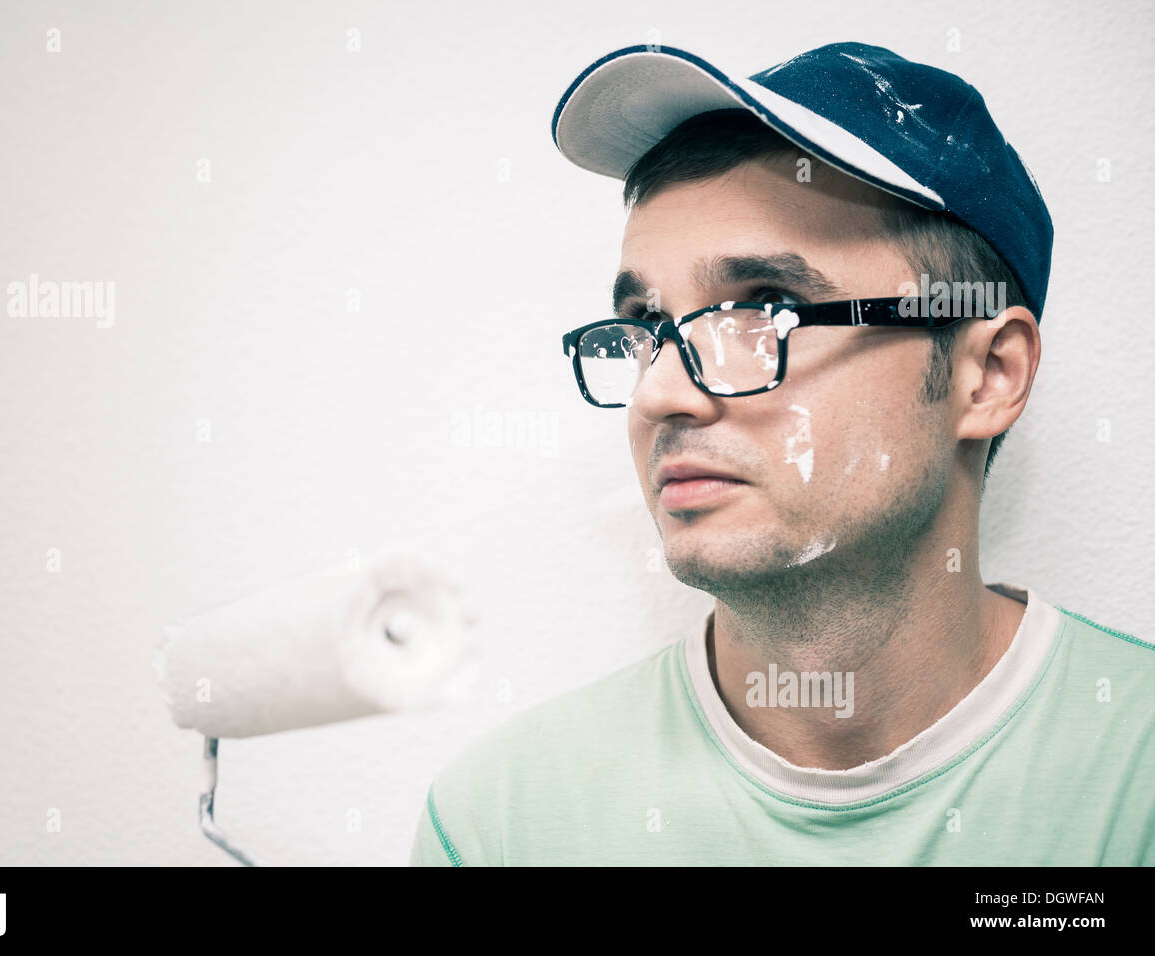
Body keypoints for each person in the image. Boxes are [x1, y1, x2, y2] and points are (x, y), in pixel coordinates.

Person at [408, 41, 1154, 865]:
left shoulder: (1134, 776)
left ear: (987, 376)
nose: (659, 394)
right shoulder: (506, 824)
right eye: (647, 329)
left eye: (766, 309)